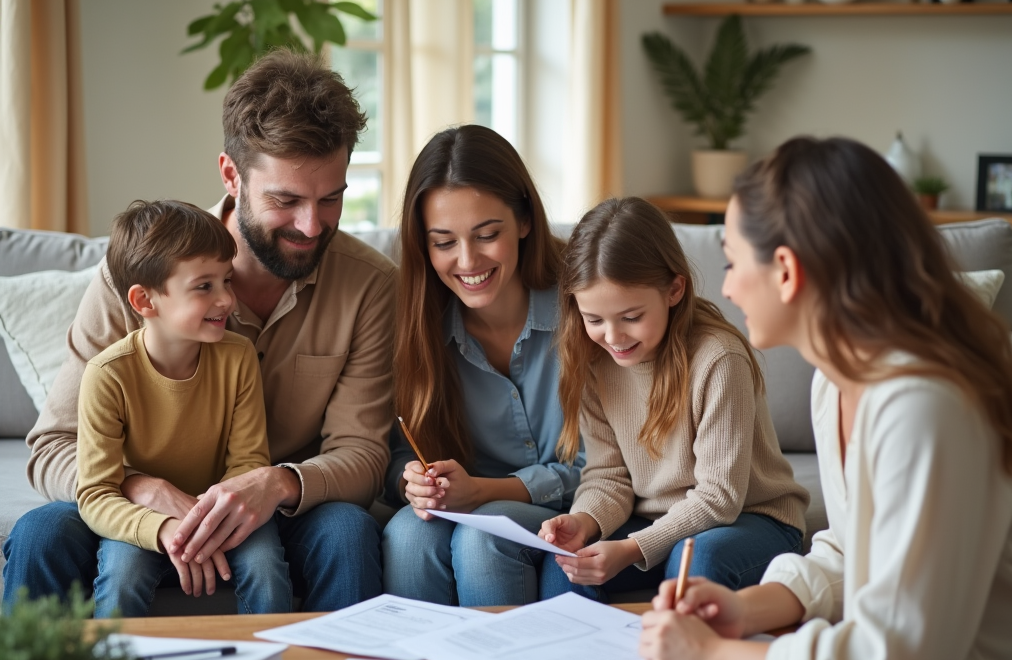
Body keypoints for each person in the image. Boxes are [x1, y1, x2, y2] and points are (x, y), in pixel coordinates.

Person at [638, 137, 1012, 660]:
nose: (729, 288)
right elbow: (854, 548)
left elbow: (896, 659)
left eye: (733, 262)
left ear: (787, 271)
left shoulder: (925, 403)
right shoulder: (836, 382)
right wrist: (746, 610)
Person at [2, 49, 396, 612]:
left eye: (330, 199)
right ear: (232, 176)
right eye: (286, 200)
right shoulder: (142, 270)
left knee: (347, 530)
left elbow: (360, 453)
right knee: (43, 532)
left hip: (275, 513)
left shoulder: (370, 285)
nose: (312, 226)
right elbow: (53, 447)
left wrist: (276, 484)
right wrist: (140, 489)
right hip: (134, 512)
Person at [538, 197, 807, 601]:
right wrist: (585, 521)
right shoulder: (595, 362)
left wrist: (632, 549)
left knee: (698, 560)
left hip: (750, 519)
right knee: (566, 568)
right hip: (654, 521)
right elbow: (608, 476)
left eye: (631, 317)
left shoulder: (719, 359)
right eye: (594, 320)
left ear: (674, 290)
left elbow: (719, 498)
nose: (613, 337)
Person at [381, 124, 584, 606]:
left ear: (524, 221)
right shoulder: (417, 322)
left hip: (581, 508)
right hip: (469, 505)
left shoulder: (585, 308)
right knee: (408, 535)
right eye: (443, 242)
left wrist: (485, 491)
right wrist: (413, 480)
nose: (467, 260)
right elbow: (395, 451)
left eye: (487, 234)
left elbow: (606, 470)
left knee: (482, 540)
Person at [78, 199, 291, 617]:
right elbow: (95, 494)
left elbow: (248, 462)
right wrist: (166, 530)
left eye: (226, 281)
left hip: (225, 512)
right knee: (122, 578)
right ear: (145, 300)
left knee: (266, 568)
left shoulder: (238, 355)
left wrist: (205, 525)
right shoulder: (106, 375)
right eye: (204, 286)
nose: (227, 300)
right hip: (144, 519)